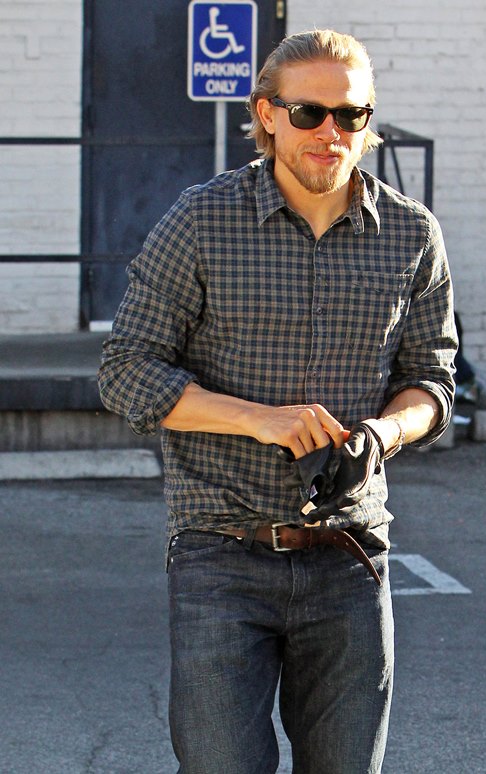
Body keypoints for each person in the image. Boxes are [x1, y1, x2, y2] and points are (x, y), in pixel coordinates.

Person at [98, 28, 457, 774]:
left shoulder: (411, 235)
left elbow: (432, 379)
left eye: (351, 115)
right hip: (220, 549)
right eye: (309, 113)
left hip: (350, 552)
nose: (331, 132)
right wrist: (261, 420)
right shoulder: (202, 222)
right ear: (267, 114)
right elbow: (125, 369)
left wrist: (382, 434)